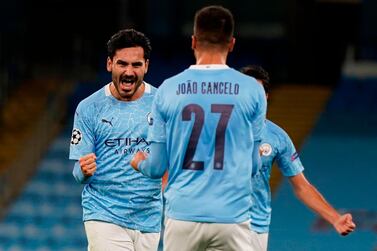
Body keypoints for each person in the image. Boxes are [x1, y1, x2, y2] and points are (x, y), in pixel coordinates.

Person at [131, 5, 267, 251]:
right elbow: (255, 166)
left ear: (193, 41)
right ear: (232, 43)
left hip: (183, 215)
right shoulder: (253, 90)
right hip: (232, 217)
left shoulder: (168, 90)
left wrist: (138, 161)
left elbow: (156, 167)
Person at [240, 65, 356, 251]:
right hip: (219, 220)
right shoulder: (216, 130)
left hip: (254, 228)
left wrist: (335, 218)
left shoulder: (277, 137)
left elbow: (302, 187)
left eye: (258, 92)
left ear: (267, 97)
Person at [69, 29, 162, 251]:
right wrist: (83, 170)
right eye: (122, 64)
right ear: (110, 64)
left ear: (146, 66)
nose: (129, 71)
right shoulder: (89, 108)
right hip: (104, 213)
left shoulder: (162, 104)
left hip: (149, 218)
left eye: (136, 65)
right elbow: (77, 173)